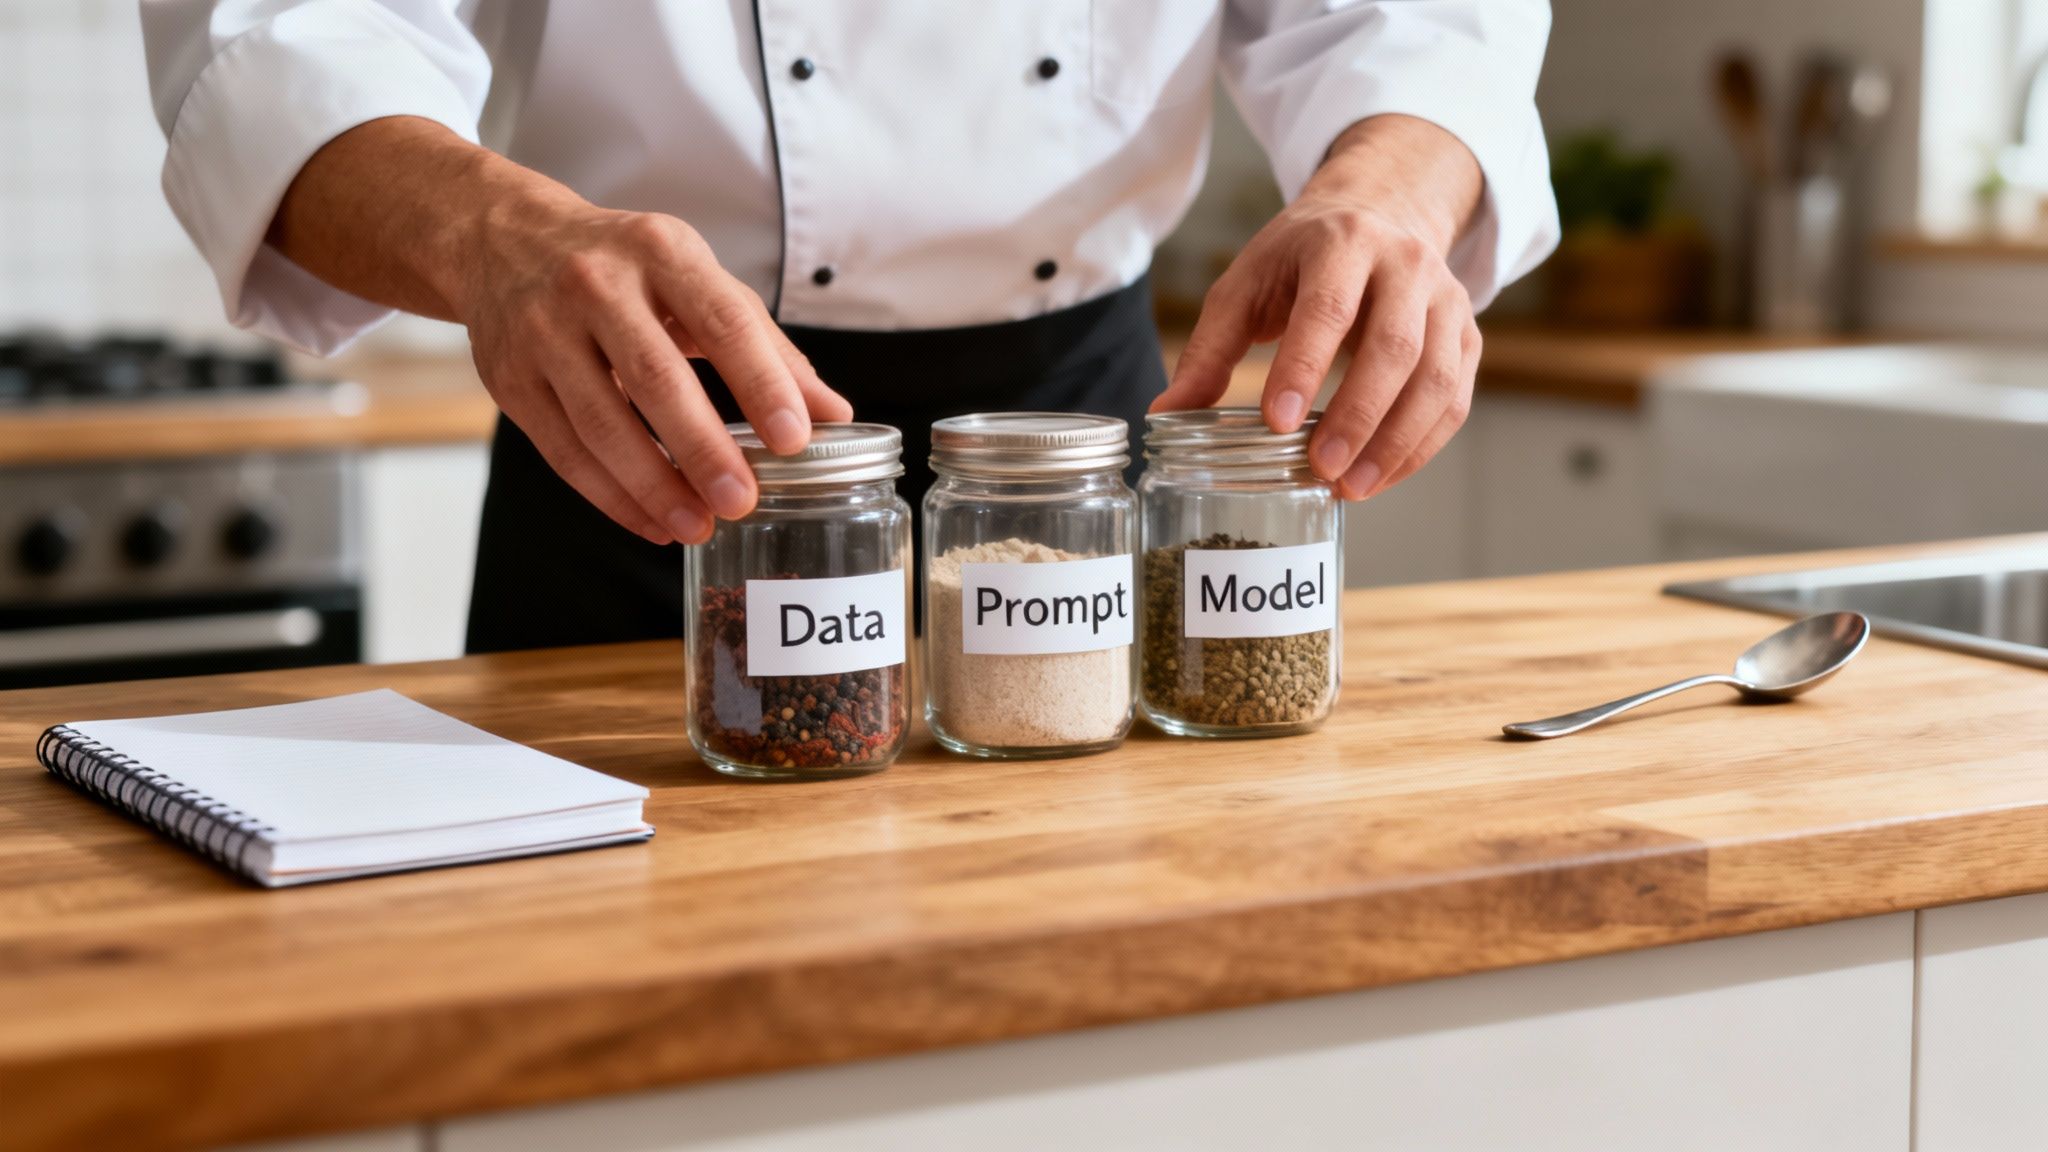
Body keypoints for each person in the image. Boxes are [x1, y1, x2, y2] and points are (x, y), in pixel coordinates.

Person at [141, 1, 1558, 653]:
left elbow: (1421, 19)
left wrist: (1390, 192)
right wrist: (487, 235)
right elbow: (276, 35)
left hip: (1081, 451)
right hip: (653, 442)